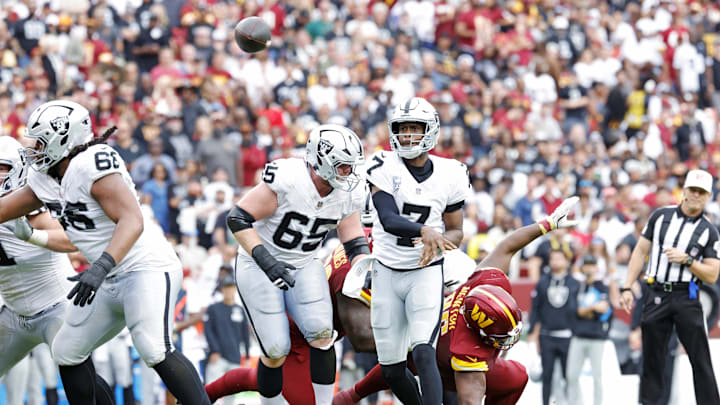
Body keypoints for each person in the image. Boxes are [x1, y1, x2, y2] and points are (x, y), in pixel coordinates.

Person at [0, 100, 211, 404]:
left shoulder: (91, 163)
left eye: (40, 142)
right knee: (67, 351)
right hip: (107, 276)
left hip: (145, 266)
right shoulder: (44, 178)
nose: (33, 150)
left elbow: (132, 220)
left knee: (153, 347)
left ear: (64, 139)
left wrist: (100, 267)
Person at [203, 198, 479, 404]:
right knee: (276, 383)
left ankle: (205, 394)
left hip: (323, 336)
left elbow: (468, 275)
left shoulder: (393, 247)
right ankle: (202, 395)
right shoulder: (357, 262)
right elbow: (360, 337)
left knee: (426, 360)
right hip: (301, 339)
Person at [334, 196, 581, 405]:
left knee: (404, 353)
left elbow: (507, 246)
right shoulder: (467, 350)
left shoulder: (483, 281)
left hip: (429, 337)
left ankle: (352, 394)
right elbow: (469, 399)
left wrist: (546, 225)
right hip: (445, 361)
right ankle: (354, 393)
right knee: (515, 377)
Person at [225, 124, 369, 405]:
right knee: (276, 350)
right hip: (259, 263)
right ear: (322, 161)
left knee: (322, 333)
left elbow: (352, 237)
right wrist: (267, 262)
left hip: (304, 262)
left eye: (351, 166)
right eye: (342, 166)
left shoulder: (349, 192)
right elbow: (238, 218)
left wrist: (364, 267)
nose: (348, 173)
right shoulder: (289, 179)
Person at [365, 96, 470, 405]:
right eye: (403, 129)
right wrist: (425, 231)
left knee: (424, 350)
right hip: (386, 269)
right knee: (392, 371)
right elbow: (387, 218)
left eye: (415, 128)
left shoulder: (450, 173)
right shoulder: (383, 164)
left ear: (431, 131)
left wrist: (441, 241)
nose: (408, 135)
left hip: (425, 271)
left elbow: (456, 229)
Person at [0, 136, 116, 404]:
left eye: (1, 168)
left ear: (17, 168)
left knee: (81, 382)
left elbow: (71, 240)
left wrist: (31, 235)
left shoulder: (31, 207)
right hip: (15, 314)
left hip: (56, 308)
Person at [621, 169, 720, 405]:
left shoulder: (709, 231)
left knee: (700, 360)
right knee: (652, 359)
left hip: (687, 296)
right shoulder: (660, 217)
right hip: (656, 294)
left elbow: (713, 274)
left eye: (702, 192)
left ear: (707, 197)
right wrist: (627, 286)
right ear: (684, 191)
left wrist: (687, 260)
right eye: (693, 190)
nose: (696, 195)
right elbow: (640, 251)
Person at [527, 241, 582, 405]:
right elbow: (536, 308)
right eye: (553, 258)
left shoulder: (575, 283)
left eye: (559, 258)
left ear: (567, 261)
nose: (556, 262)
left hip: (568, 336)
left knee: (569, 375)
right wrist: (533, 332)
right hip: (547, 335)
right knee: (547, 375)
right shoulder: (543, 282)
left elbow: (579, 310)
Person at [566, 255, 612, 405]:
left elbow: (603, 308)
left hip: (597, 337)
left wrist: (587, 309)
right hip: (578, 335)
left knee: (597, 377)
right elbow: (575, 311)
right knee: (571, 375)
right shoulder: (577, 287)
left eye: (592, 265)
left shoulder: (601, 286)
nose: (589, 268)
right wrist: (592, 309)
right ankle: (574, 402)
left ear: (596, 268)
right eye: (586, 265)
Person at [204, 275, 247, 405]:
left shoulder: (239, 309)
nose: (229, 291)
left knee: (232, 394)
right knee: (211, 390)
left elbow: (245, 334)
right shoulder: (213, 308)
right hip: (218, 357)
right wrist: (214, 350)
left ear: (235, 289)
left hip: (234, 356)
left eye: (231, 287)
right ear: (222, 290)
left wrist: (248, 356)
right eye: (226, 288)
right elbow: (208, 331)